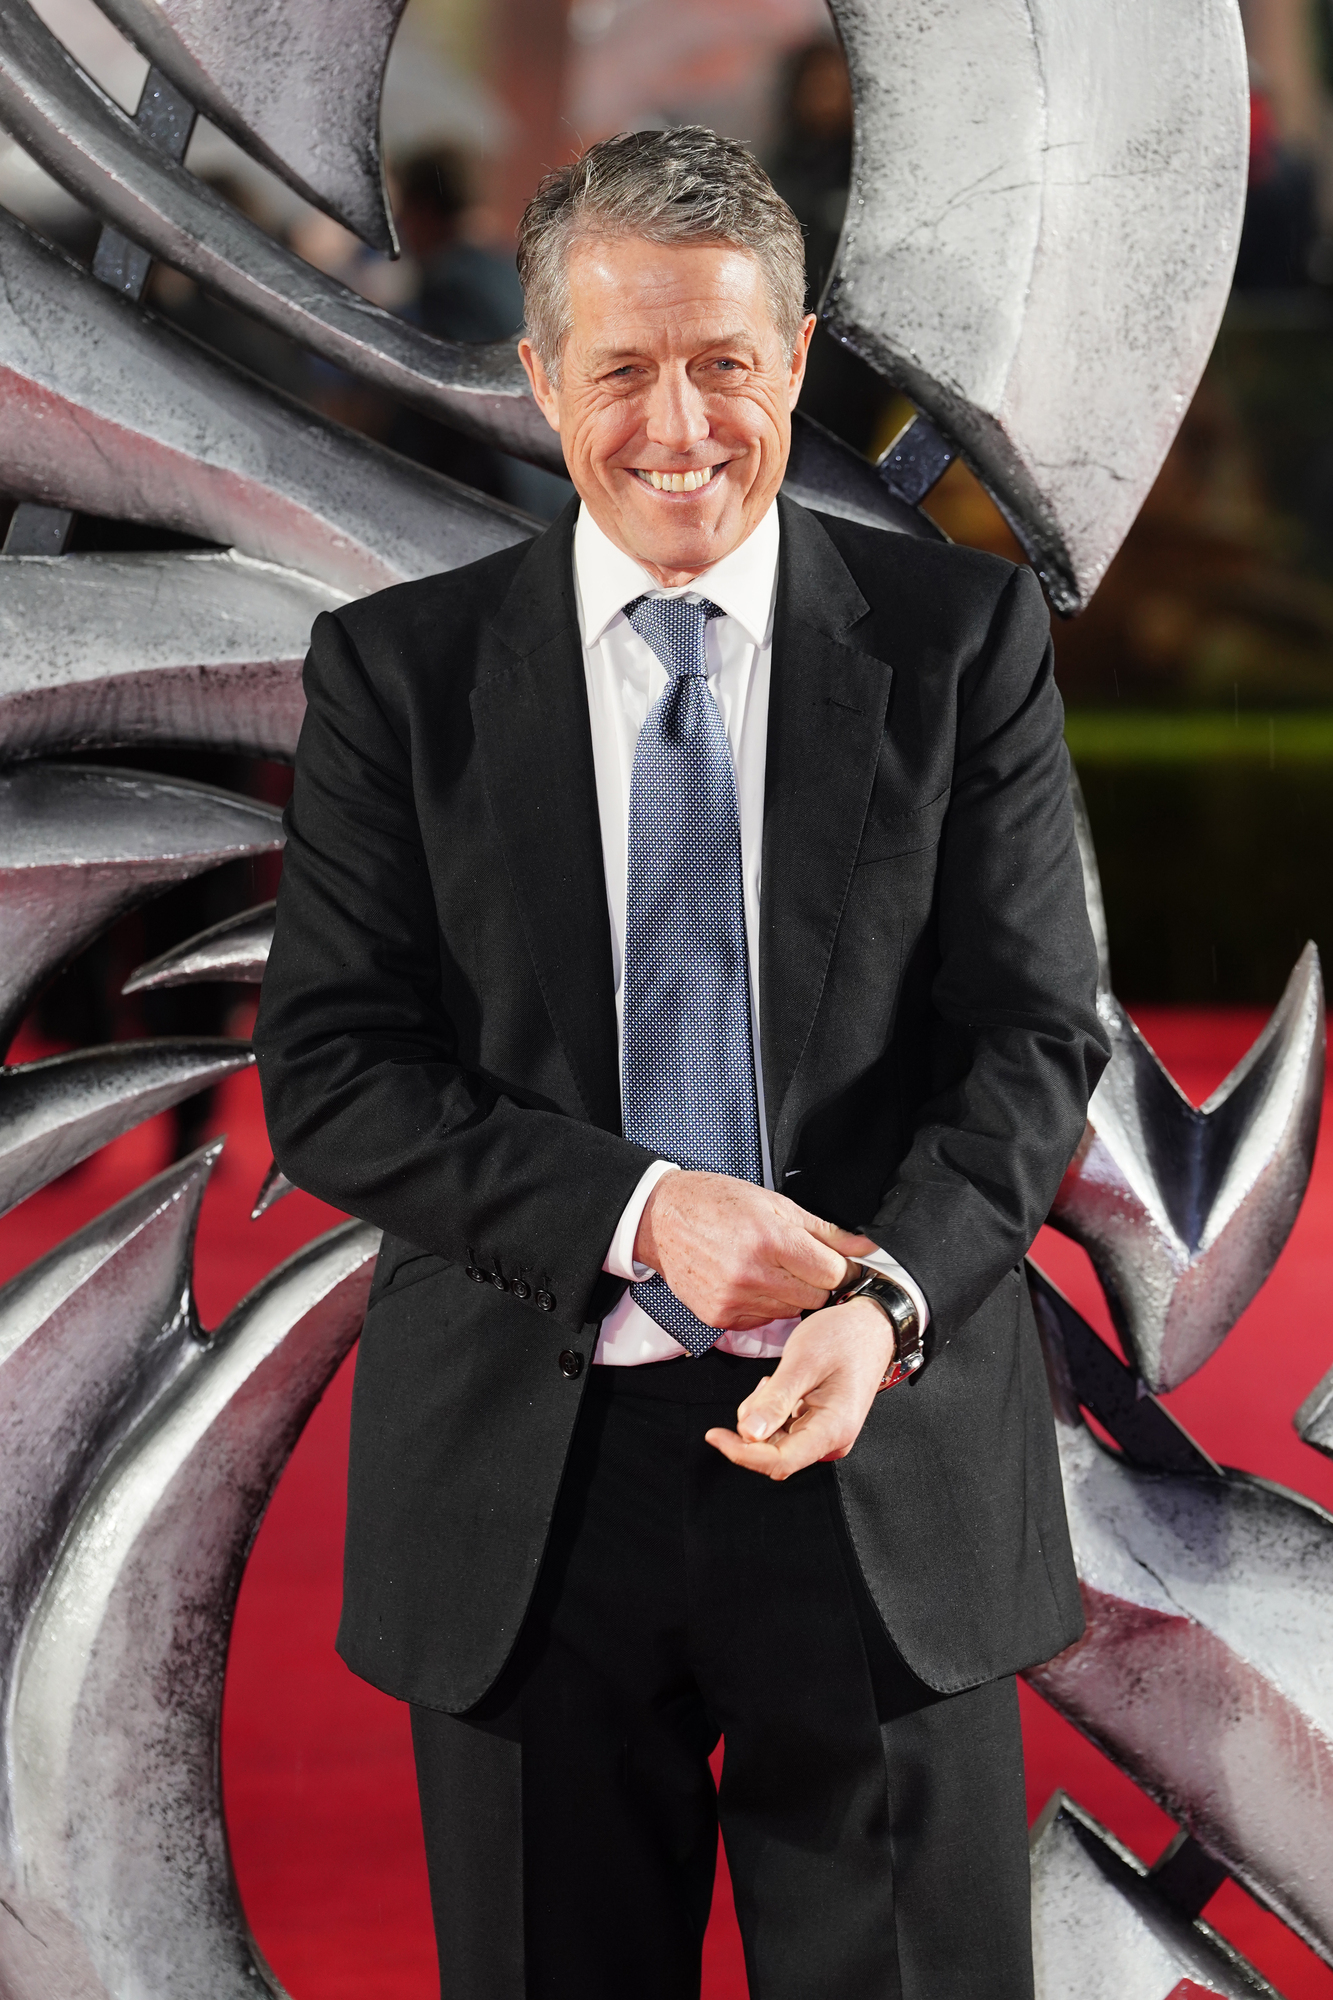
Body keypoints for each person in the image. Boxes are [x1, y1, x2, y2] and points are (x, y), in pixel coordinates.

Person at [254, 125, 1109, 2000]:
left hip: (878, 1458)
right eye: (622, 367)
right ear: (539, 373)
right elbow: (332, 1072)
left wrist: (879, 1303)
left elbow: (1034, 1037)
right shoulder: (397, 676)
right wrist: (645, 1213)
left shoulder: (958, 646)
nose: (677, 425)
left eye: (724, 362)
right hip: (531, 1496)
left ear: (794, 360)